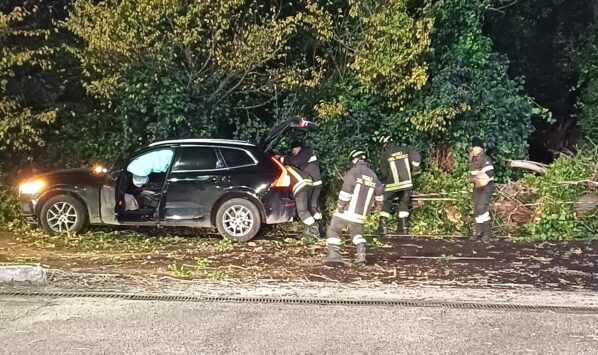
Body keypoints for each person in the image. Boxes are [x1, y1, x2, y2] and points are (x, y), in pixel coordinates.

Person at [324, 150, 384, 265]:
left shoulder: (353, 172)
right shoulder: (372, 174)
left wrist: (340, 205)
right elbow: (379, 192)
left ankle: (334, 255)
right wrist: (378, 206)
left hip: (347, 211)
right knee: (357, 234)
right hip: (361, 214)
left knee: (333, 229)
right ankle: (361, 252)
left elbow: (347, 191)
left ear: (355, 159)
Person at [376, 136, 422, 236]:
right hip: (407, 184)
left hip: (392, 185)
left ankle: (383, 228)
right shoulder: (405, 150)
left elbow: (384, 173)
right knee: (404, 204)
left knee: (387, 204)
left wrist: (384, 182)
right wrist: (414, 169)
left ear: (385, 144)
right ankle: (404, 228)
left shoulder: (385, 155)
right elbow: (417, 157)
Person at [280, 141, 323, 234]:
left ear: (298, 147)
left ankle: (315, 228)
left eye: (293, 150)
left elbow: (295, 161)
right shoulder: (306, 153)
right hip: (312, 183)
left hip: (315, 184)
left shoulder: (306, 152)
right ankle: (319, 227)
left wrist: (281, 159)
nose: (293, 152)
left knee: (311, 206)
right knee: (313, 206)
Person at [469, 137, 495, 241]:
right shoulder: (473, 161)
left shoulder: (486, 159)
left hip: (486, 187)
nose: (474, 149)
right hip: (477, 187)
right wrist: (473, 179)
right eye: (473, 147)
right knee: (476, 208)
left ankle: (487, 233)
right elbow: (472, 176)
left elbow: (489, 174)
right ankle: (479, 231)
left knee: (482, 208)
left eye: (477, 147)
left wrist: (478, 178)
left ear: (481, 149)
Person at [285, 164, 319, 237]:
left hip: (300, 185)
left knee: (302, 211)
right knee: (308, 209)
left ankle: (313, 230)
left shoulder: (281, 168)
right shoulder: (289, 167)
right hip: (309, 183)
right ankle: (313, 229)